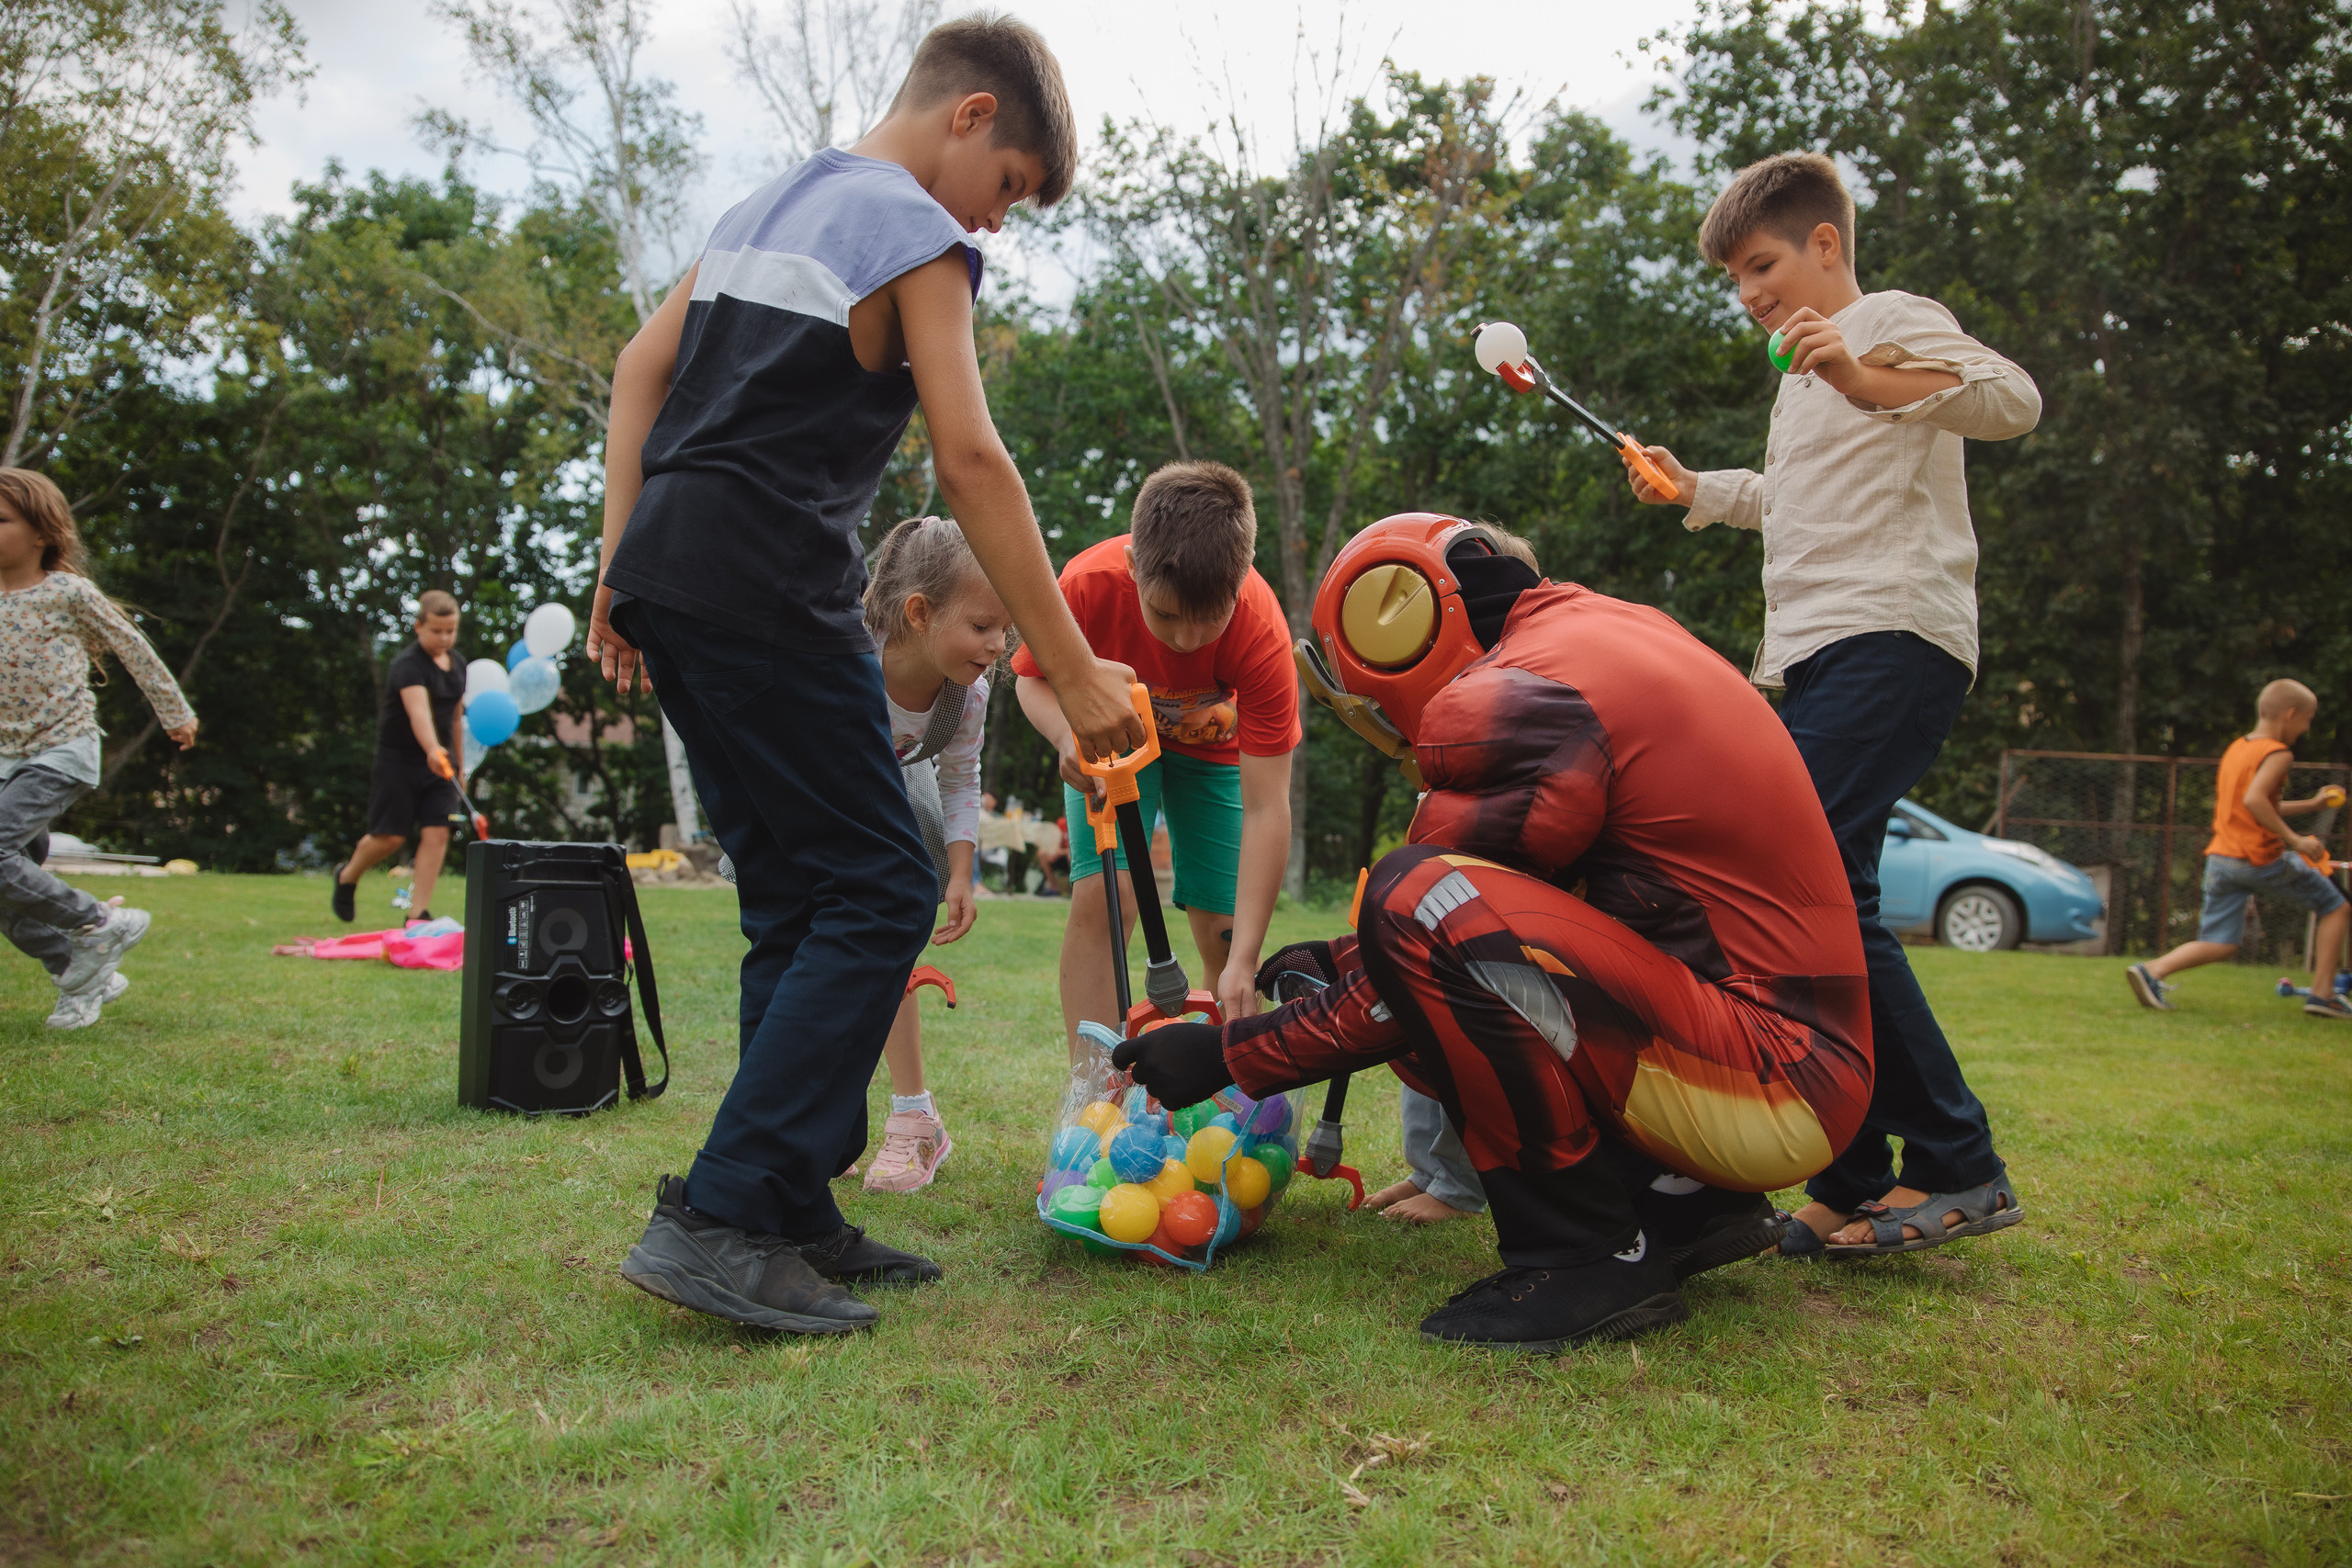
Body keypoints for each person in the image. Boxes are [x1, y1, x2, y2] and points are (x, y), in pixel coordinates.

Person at [592, 14, 1144, 1337]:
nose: (998, 226)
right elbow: (972, 461)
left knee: (794, 892)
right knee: (883, 879)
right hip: (766, 573)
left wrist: (617, 569)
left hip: (675, 562)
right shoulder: (917, 231)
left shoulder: (769, 204)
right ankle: (723, 1212)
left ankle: (785, 1200)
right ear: (968, 120)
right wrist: (1067, 670)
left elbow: (636, 371)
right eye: (1009, 187)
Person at [1117, 516, 1872, 1348]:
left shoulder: (1520, 692)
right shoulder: (1604, 632)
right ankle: (1684, 1199)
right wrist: (1338, 963)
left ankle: (1586, 1256)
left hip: (1769, 1079)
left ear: (1394, 634)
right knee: (1412, 926)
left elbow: (1436, 936)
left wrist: (1229, 1056)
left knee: (1411, 897)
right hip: (1788, 1059)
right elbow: (1559, 914)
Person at [1626, 152, 2041, 1258]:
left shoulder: (1889, 319)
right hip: (1813, 652)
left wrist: (1868, 376)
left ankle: (1958, 1162)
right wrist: (1698, 489)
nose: (1748, 291)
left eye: (1760, 263)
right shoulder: (1797, 375)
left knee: (1798, 885)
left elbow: (2014, 399)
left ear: (1824, 245)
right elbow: (1799, 500)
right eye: (1733, 278)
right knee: (1811, 900)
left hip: (1894, 633)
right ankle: (1855, 1175)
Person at [1012, 460, 1300, 1047]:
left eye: (1209, 620)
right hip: (1110, 742)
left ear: (1241, 581)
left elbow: (1268, 807)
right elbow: (1031, 679)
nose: (1186, 640)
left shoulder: (1262, 634)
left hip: (1214, 753)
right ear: (1132, 568)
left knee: (1225, 929)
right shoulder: (1085, 587)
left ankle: (1228, 1080)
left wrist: (1244, 957)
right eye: (1166, 615)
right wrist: (1067, 736)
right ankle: (1097, 1090)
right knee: (1108, 899)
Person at [849, 515, 1013, 1190]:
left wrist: (962, 872)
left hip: (896, 796)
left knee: (888, 937)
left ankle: (915, 1119)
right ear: (918, 613)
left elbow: (960, 776)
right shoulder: (847, 658)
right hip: (822, 791)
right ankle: (820, 1117)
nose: (999, 645)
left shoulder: (966, 693)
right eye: (983, 627)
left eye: (1007, 628)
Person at [0, 468, 197, 1029]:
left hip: (61, 749)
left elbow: (132, 647)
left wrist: (175, 712)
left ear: (41, 533)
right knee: (9, 890)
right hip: (4, 757)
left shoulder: (67, 592)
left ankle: (97, 922)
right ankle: (83, 974)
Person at [2128, 680, 2349, 1020]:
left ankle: (2152, 970)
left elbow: (2256, 805)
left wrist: (2314, 804)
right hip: (2260, 858)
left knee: (2221, 941)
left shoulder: (2239, 748)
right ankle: (2323, 995)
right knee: (2335, 907)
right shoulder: (2278, 752)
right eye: (2307, 719)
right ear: (2290, 714)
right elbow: (2255, 801)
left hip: (2223, 859)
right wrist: (2296, 841)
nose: (2307, 728)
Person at [331, 591, 467, 924]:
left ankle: (417, 913)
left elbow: (454, 718)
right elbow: (419, 713)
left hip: (442, 767)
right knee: (389, 837)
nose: (445, 638)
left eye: (451, 630)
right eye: (437, 631)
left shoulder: (458, 664)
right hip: (399, 762)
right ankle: (347, 876)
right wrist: (433, 749)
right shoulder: (407, 666)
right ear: (418, 626)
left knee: (437, 833)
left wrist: (460, 766)